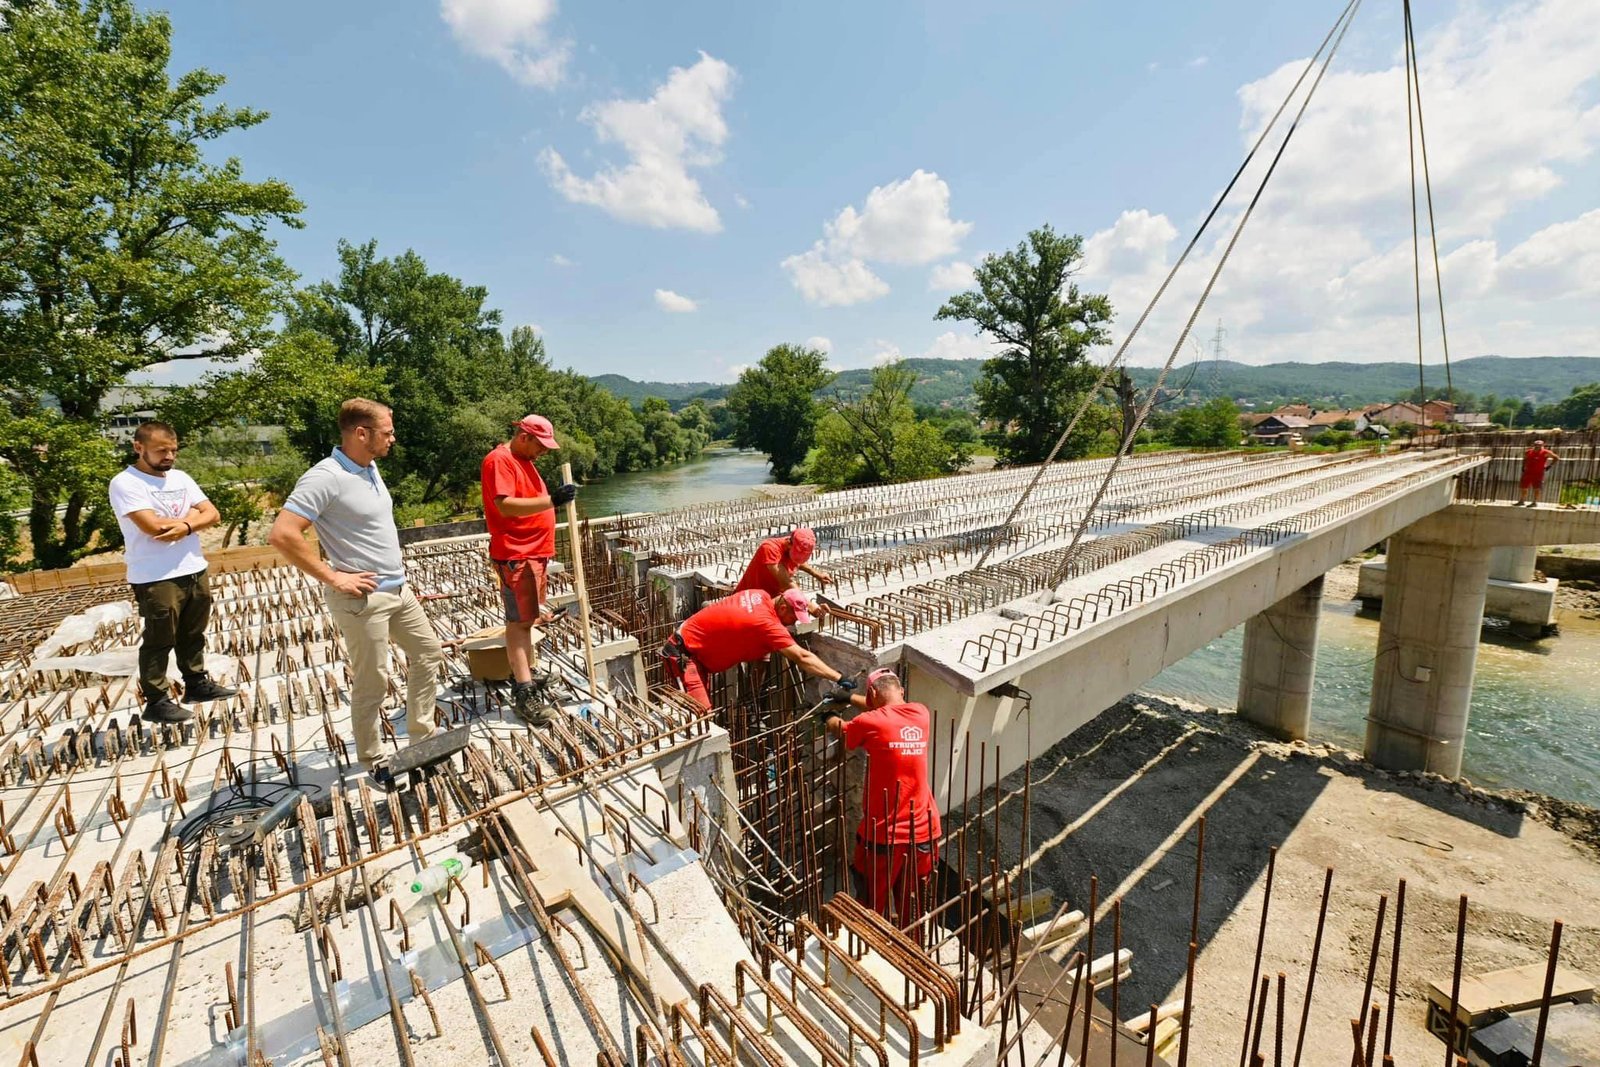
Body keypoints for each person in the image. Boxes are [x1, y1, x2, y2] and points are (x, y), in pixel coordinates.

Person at [268, 399, 443, 776]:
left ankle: (422, 738)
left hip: (398, 590)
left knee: (429, 654)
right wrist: (334, 576)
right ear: (361, 434)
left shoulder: (369, 467)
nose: (393, 438)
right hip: (362, 599)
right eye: (387, 431)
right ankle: (373, 758)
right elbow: (283, 533)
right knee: (373, 681)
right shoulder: (325, 476)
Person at [108, 421, 237, 723]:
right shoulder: (126, 483)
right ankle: (156, 700)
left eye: (173, 450)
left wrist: (186, 525)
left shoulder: (180, 477)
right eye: (161, 450)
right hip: (156, 575)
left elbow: (213, 513)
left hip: (193, 567)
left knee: (193, 633)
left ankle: (196, 684)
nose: (169, 456)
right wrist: (192, 517)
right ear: (138, 448)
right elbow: (153, 528)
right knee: (159, 638)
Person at [820, 668, 941, 926]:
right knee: (914, 906)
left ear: (872, 693)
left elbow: (842, 729)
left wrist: (828, 714)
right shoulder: (921, 713)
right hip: (924, 834)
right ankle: (912, 953)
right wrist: (851, 698)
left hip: (883, 837)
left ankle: (872, 948)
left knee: (872, 904)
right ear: (902, 692)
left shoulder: (868, 723)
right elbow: (884, 709)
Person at [480, 414, 578, 725]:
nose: (544, 452)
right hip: (516, 553)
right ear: (524, 436)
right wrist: (552, 500)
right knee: (519, 623)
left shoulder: (525, 461)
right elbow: (504, 504)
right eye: (541, 446)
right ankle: (524, 692)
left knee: (529, 619)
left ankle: (526, 674)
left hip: (533, 552)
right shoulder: (500, 460)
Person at [661, 587, 849, 710]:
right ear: (783, 608)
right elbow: (802, 657)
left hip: (695, 650)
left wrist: (811, 605)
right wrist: (838, 677)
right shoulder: (767, 624)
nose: (794, 623)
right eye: (795, 617)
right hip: (684, 655)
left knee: (696, 712)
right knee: (699, 719)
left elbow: (791, 591)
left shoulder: (760, 594)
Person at [735, 527, 830, 597]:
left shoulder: (797, 544)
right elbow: (786, 582)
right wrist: (807, 605)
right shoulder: (769, 548)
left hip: (771, 597)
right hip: (749, 598)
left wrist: (817, 574)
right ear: (789, 543)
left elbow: (798, 561)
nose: (796, 560)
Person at [1516, 439, 1560, 507]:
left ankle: (1535, 502)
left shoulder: (1545, 452)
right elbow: (1525, 459)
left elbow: (1556, 457)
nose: (1537, 446)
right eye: (1536, 445)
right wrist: (1523, 466)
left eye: (1539, 445)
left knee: (1536, 488)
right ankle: (1522, 500)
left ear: (1542, 445)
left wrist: (1549, 466)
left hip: (1538, 473)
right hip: (1528, 472)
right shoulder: (1528, 452)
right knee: (1524, 486)